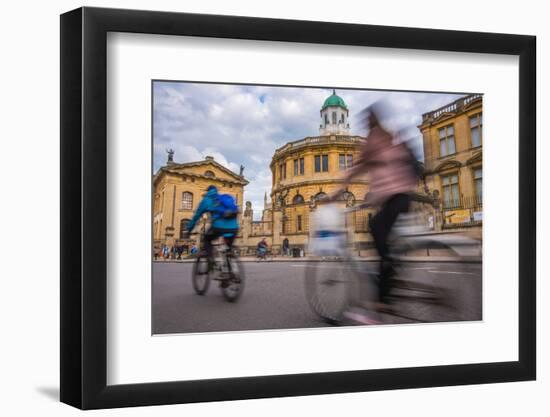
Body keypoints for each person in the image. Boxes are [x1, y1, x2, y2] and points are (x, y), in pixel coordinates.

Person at [331, 109, 417, 308]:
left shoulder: (374, 140)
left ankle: (384, 294)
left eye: (367, 119)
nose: (366, 122)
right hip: (403, 194)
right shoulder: (390, 137)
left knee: (377, 232)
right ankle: (393, 271)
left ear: (371, 120)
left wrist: (336, 192)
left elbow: (357, 168)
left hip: (393, 195)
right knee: (387, 237)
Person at [182, 185, 239, 264]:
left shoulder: (206, 200)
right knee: (228, 249)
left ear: (207, 191)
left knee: (207, 239)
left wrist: (189, 229)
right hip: (234, 227)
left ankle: (211, 262)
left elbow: (196, 216)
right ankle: (230, 267)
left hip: (218, 226)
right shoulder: (223, 197)